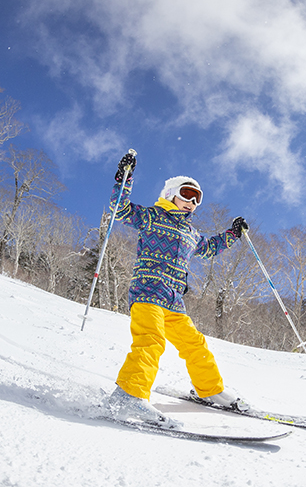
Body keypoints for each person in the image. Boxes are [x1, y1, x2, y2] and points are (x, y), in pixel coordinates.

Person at [105, 151, 250, 428]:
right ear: (171, 193)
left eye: (198, 198)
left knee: (195, 343)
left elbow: (209, 248)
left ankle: (210, 390)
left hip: (173, 299)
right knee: (151, 340)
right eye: (187, 194)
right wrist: (125, 178)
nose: (193, 202)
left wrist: (233, 234)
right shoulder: (151, 216)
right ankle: (129, 394)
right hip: (147, 291)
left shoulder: (192, 234)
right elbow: (120, 209)